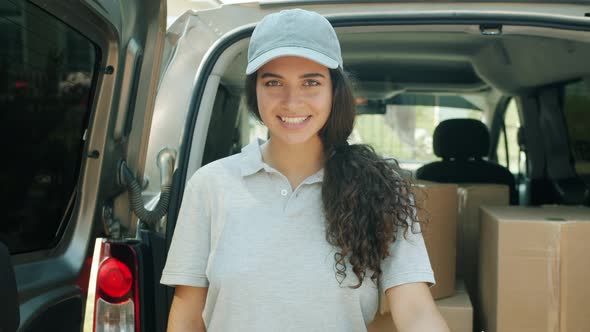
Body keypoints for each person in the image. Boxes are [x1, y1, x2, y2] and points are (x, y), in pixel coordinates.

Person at [161, 8, 450, 332]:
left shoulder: (381, 191)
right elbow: (187, 316)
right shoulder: (210, 186)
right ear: (254, 90)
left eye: (310, 82)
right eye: (274, 82)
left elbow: (416, 313)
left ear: (334, 90)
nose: (292, 101)